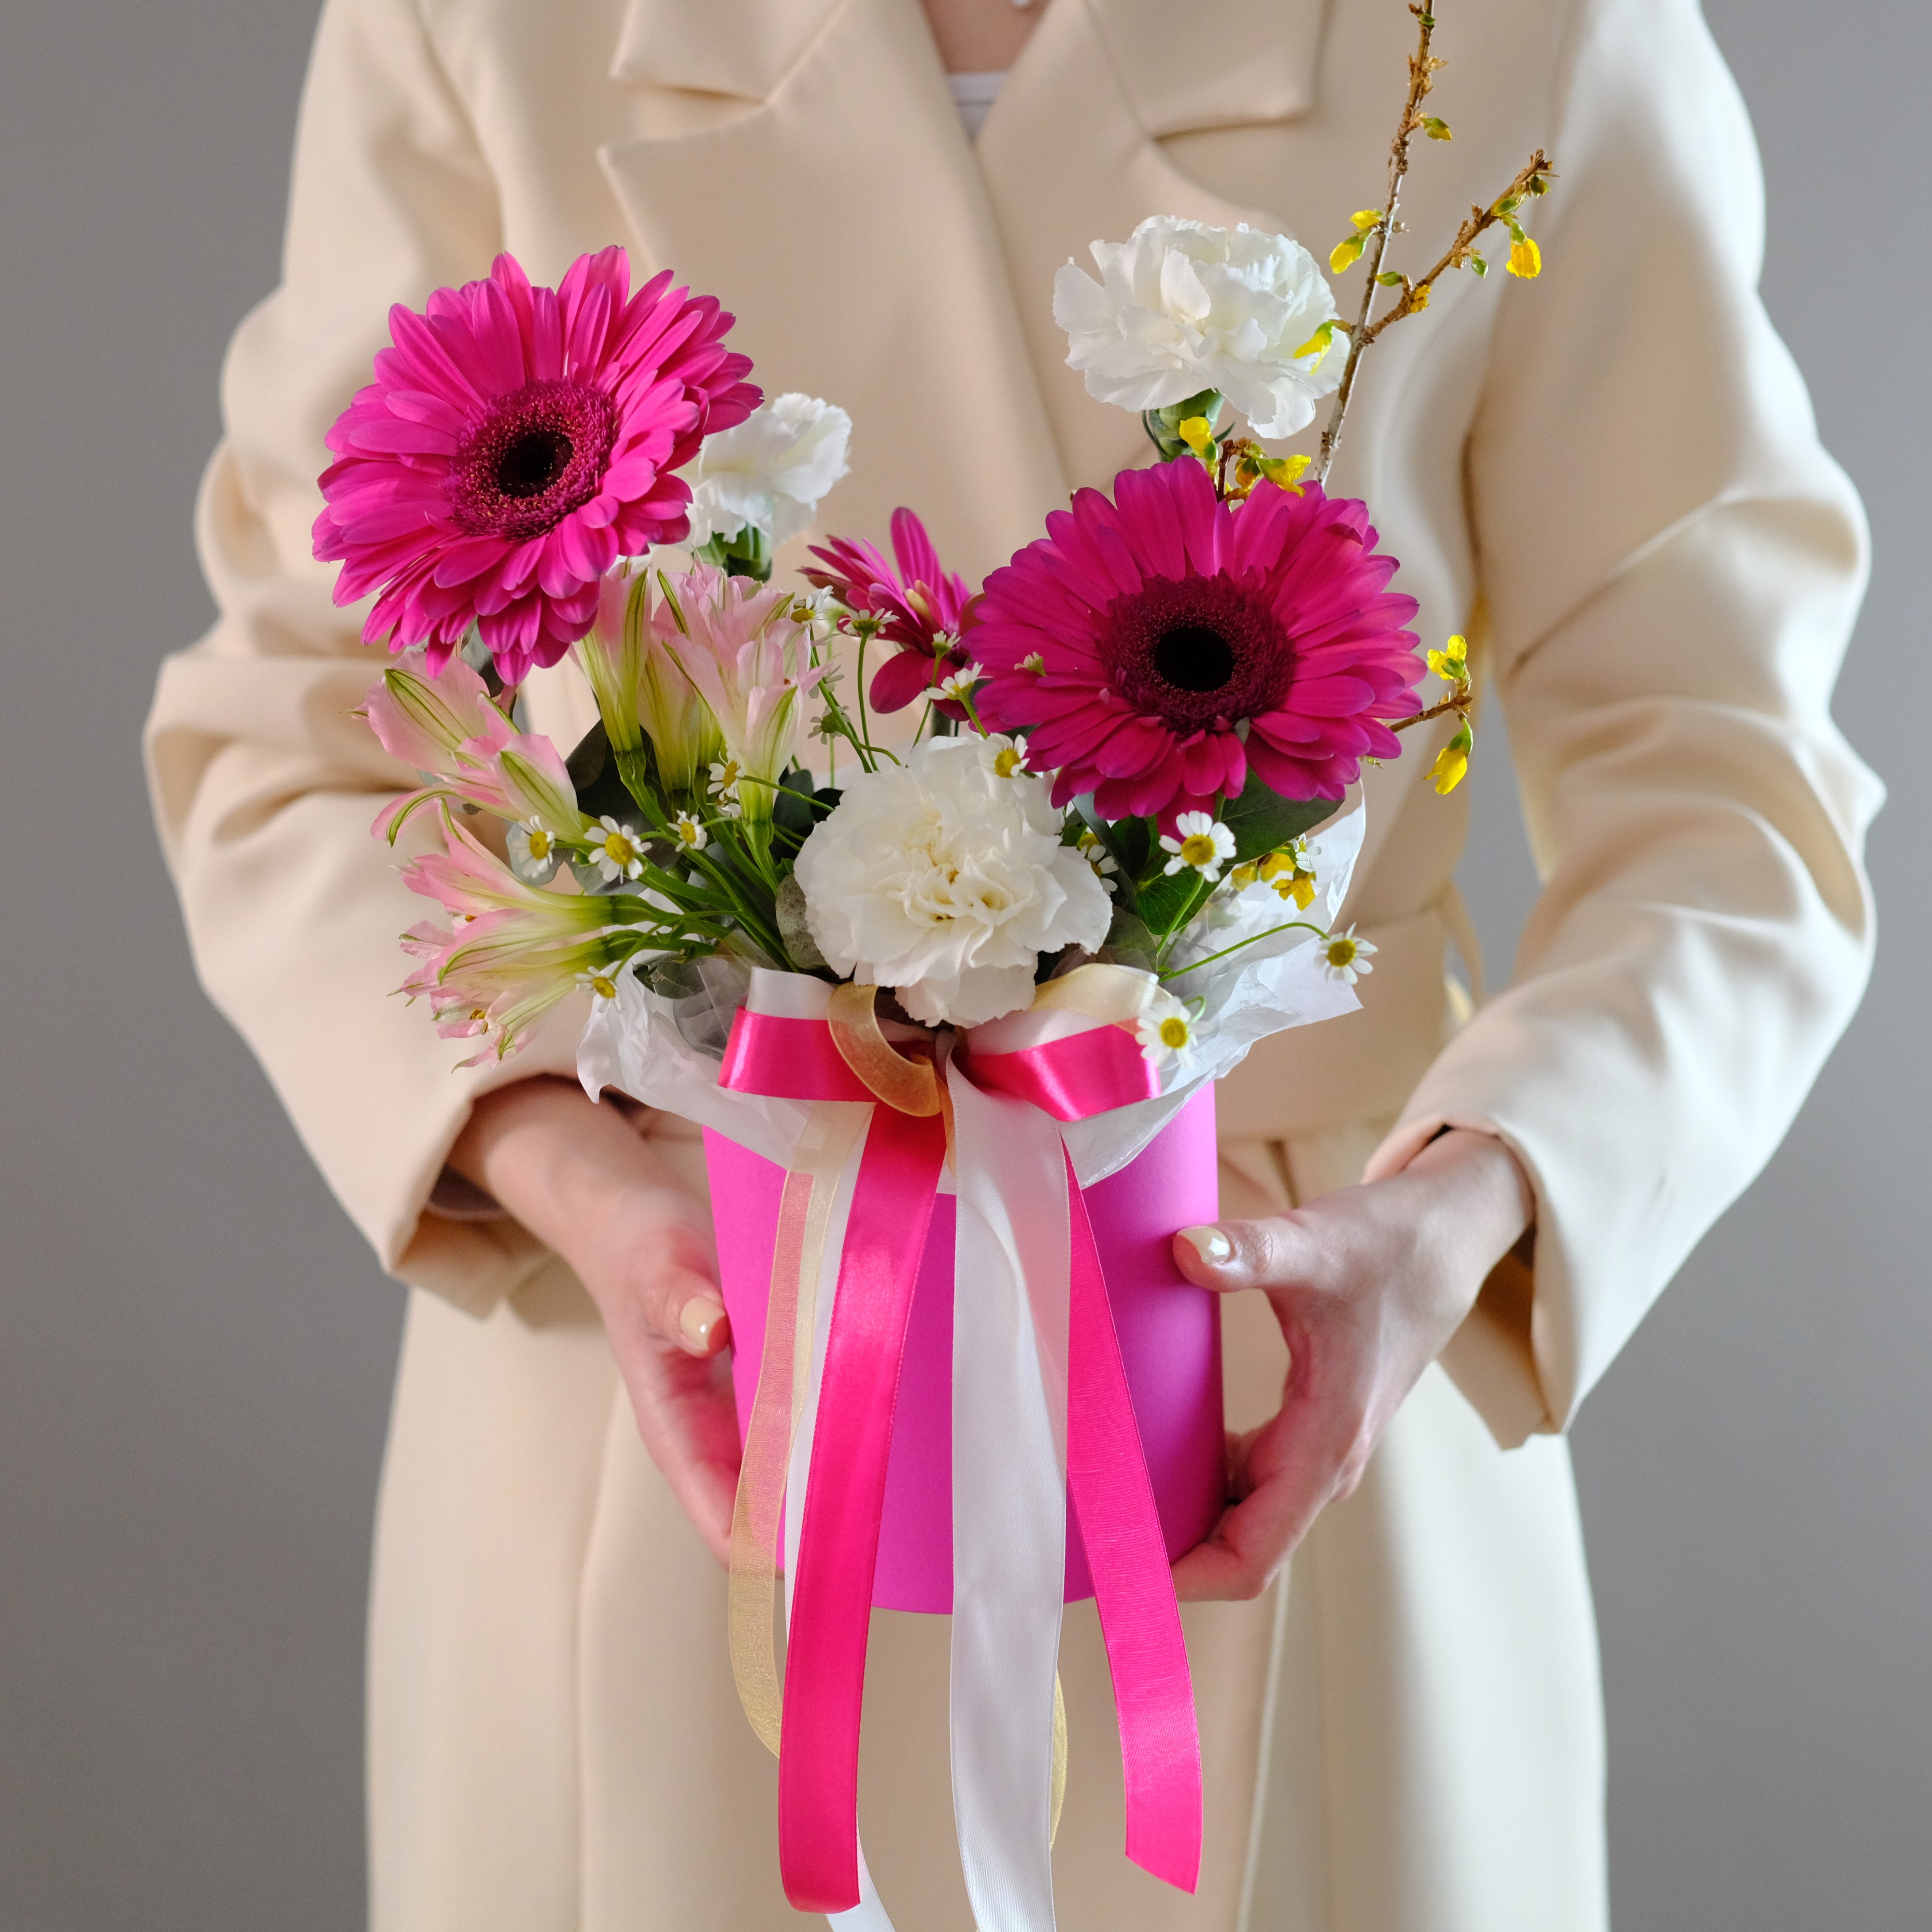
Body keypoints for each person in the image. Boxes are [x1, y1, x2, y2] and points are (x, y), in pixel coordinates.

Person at [143, 0, 1880, 1926]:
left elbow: (1728, 792)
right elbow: (299, 730)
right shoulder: (473, 27)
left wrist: (1464, 1206)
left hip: (1286, 1359)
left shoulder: (1531, 31)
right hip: (680, 1368)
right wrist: (572, 1167)